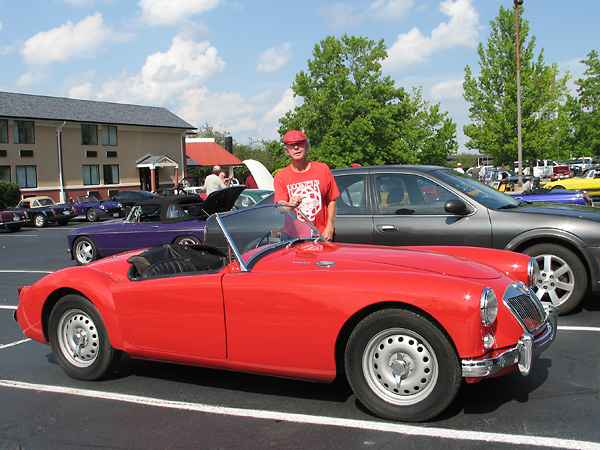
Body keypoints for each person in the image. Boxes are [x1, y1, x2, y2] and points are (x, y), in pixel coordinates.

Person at [274, 130, 340, 241]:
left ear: (306, 146)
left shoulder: (322, 169)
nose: (296, 148)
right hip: (295, 238)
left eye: (300, 144)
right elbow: (280, 206)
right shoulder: (281, 177)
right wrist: (289, 205)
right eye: (292, 145)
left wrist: (329, 227)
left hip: (322, 236)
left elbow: (332, 200)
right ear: (286, 151)